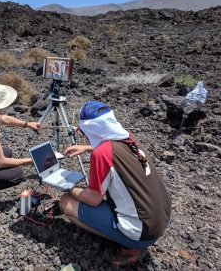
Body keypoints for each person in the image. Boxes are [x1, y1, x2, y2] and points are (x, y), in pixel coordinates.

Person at [60, 101, 171, 266]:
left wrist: (68, 187)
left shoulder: (101, 155)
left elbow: (93, 199)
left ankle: (129, 248)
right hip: (159, 220)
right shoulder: (128, 137)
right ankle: (129, 239)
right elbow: (110, 143)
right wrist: (88, 147)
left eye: (83, 131)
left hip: (141, 233)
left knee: (65, 202)